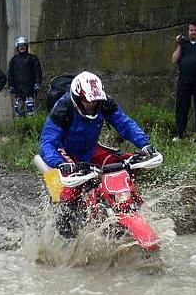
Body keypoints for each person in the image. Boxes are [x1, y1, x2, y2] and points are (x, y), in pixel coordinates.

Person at [39, 71, 157, 237]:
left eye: (95, 101)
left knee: (123, 162)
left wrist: (144, 145)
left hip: (91, 149)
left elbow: (125, 124)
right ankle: (65, 230)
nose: (92, 105)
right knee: (71, 189)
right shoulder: (64, 107)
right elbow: (47, 141)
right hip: (67, 152)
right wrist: (60, 163)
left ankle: (129, 205)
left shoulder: (104, 103)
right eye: (88, 101)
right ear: (78, 97)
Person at [8, 36, 42, 118]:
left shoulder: (33, 58)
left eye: (23, 46)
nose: (22, 47)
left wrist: (37, 83)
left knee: (31, 112)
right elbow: (10, 74)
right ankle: (20, 129)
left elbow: (38, 72)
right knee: (18, 111)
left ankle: (31, 129)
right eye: (20, 46)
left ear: (26, 46)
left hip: (29, 89)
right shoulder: (14, 60)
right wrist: (10, 85)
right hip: (18, 90)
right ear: (17, 47)